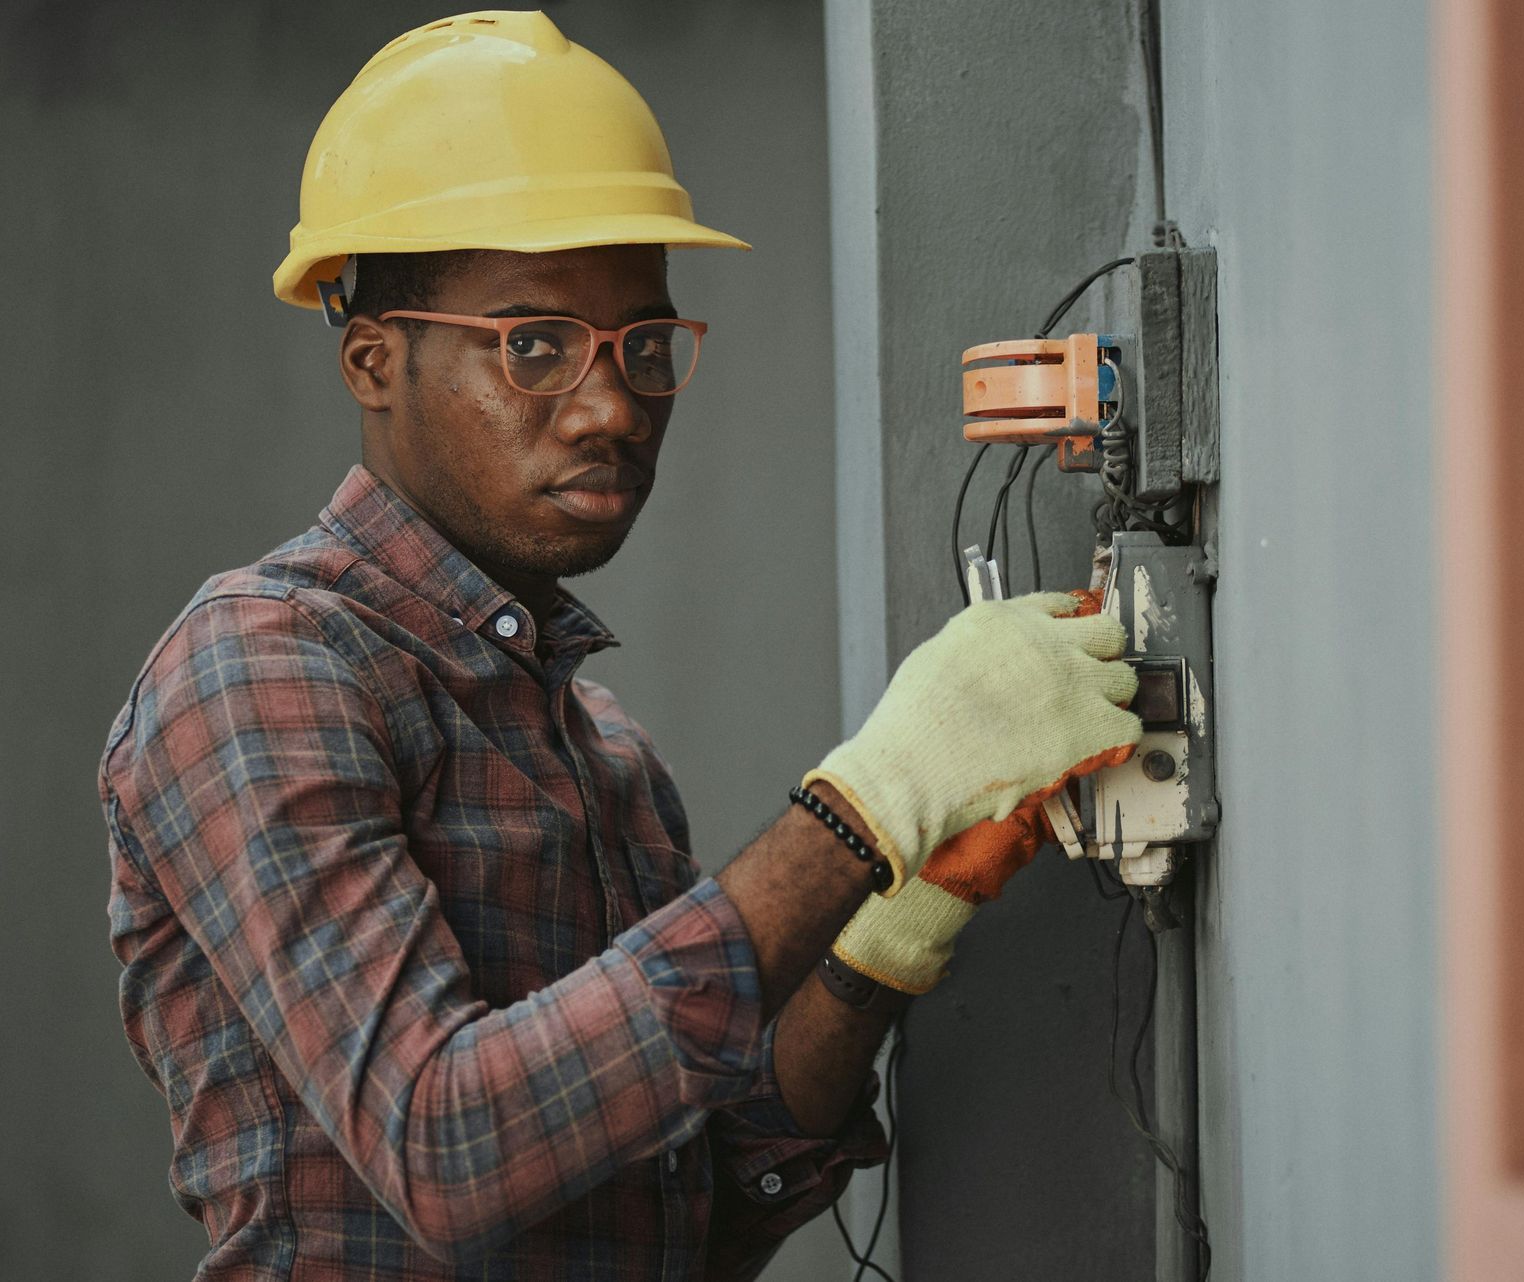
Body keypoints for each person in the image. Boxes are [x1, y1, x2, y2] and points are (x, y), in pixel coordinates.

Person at [97, 11, 1141, 1280]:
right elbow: (452, 1151)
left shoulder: (608, 760)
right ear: (376, 361)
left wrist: (888, 933)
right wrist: (868, 804)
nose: (610, 406)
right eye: (532, 346)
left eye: (644, 345)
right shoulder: (261, 671)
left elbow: (705, 1213)